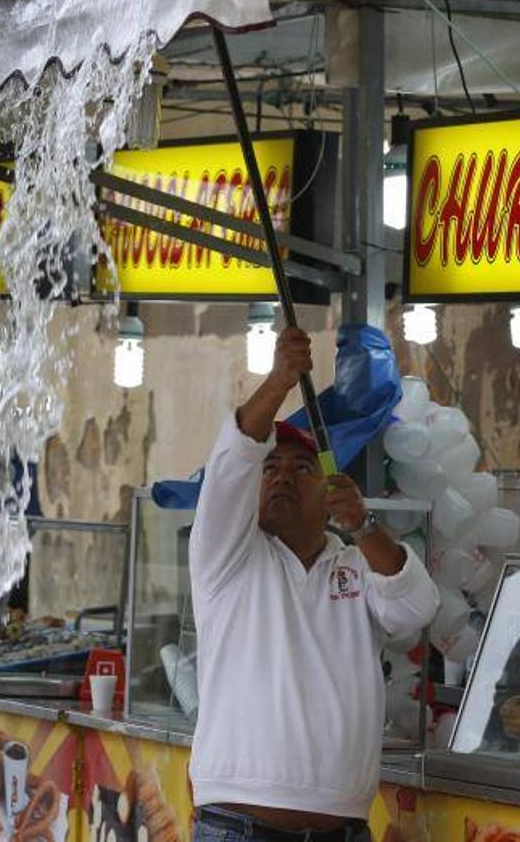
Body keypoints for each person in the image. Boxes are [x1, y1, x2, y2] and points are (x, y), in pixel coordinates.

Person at [188, 328, 439, 842]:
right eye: (270, 468)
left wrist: (365, 526)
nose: (281, 477)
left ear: (328, 489)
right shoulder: (226, 556)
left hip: (342, 829)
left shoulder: (354, 563)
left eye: (302, 468)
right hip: (239, 827)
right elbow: (232, 460)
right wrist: (279, 380)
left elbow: (415, 608)